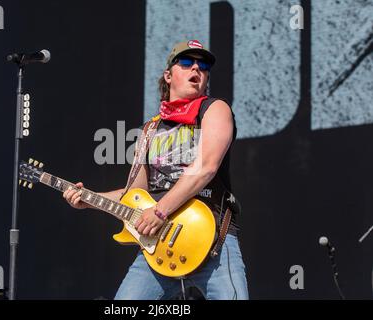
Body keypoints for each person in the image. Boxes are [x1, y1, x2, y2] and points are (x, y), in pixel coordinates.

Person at [63, 40, 249, 300]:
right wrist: (90, 200)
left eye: (203, 65)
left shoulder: (214, 109)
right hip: (158, 246)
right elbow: (135, 193)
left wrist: (160, 210)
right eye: (186, 62)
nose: (196, 68)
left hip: (213, 242)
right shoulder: (150, 129)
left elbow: (206, 167)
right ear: (168, 75)